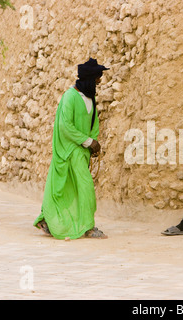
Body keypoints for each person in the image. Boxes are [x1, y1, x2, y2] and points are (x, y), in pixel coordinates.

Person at [33, 58, 109, 240]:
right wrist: (87, 141)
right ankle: (87, 227)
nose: (100, 81)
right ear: (91, 78)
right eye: (98, 77)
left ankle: (61, 222)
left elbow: (94, 123)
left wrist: (93, 142)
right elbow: (65, 126)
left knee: (73, 188)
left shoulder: (91, 98)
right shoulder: (69, 97)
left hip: (81, 151)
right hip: (68, 150)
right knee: (79, 187)